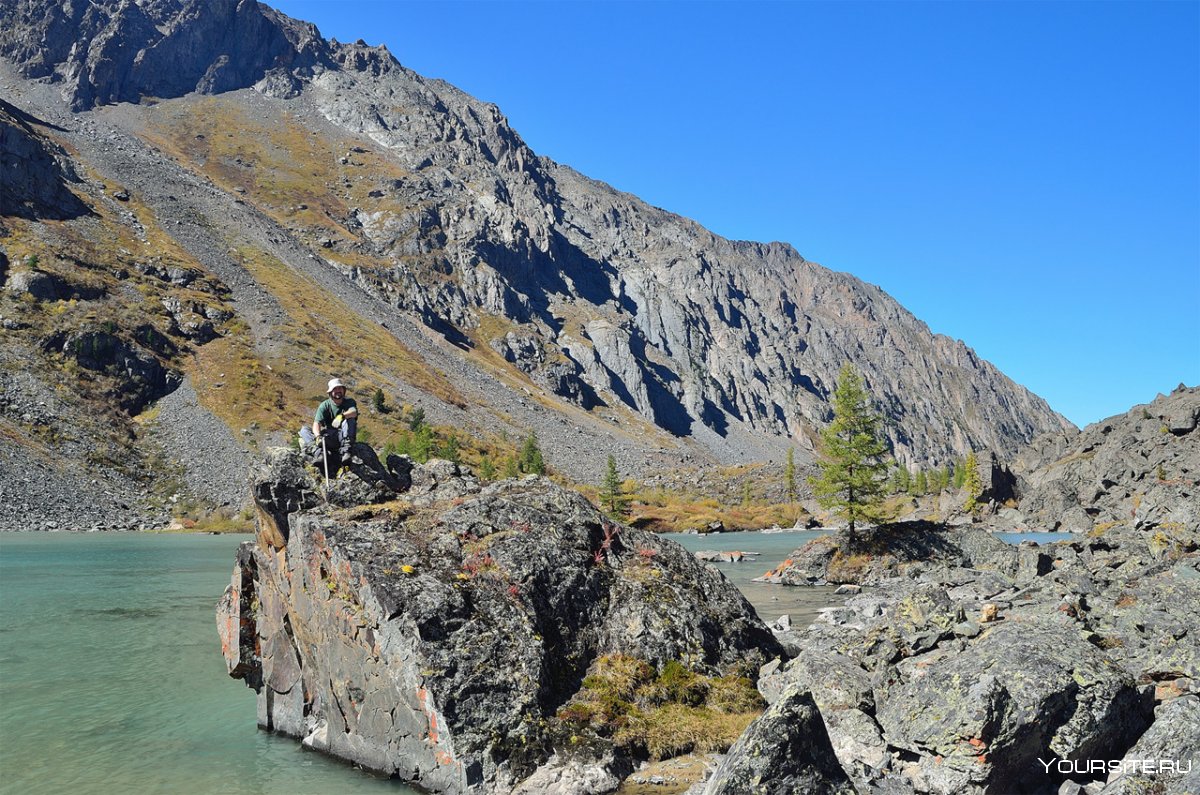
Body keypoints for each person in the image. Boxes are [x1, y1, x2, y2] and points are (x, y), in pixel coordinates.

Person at [300, 378, 359, 466]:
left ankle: (346, 451)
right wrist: (318, 436)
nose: (338, 391)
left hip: (342, 436)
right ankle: (319, 453)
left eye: (340, 388)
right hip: (329, 436)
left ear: (344, 390)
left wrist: (341, 416)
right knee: (304, 430)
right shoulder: (324, 405)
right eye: (335, 389)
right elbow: (317, 423)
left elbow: (354, 412)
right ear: (330, 392)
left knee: (350, 420)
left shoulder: (349, 402)